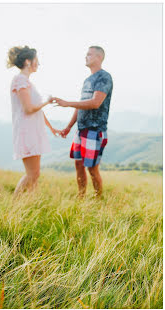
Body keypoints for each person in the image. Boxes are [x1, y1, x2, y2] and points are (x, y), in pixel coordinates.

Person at [52, 46, 113, 198]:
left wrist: (67, 103)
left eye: (89, 54)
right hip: (81, 129)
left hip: (95, 130)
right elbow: (81, 104)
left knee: (92, 169)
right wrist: (68, 127)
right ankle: (81, 199)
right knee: (78, 165)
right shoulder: (87, 80)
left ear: (99, 57)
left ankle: (99, 201)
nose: (86, 57)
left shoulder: (104, 77)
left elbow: (95, 103)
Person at [7, 45, 61, 197]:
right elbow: (29, 109)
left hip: (34, 131)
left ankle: (29, 205)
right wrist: (47, 101)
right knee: (32, 174)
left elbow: (38, 112)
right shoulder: (20, 80)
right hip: (26, 131)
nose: (39, 63)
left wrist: (52, 128)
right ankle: (15, 205)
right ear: (28, 62)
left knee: (35, 174)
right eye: (36, 60)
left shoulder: (26, 82)